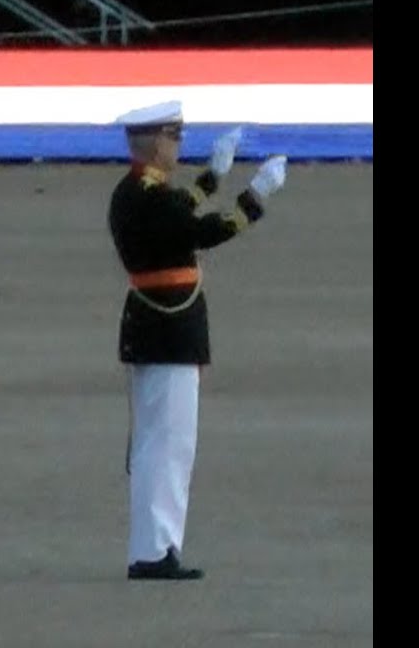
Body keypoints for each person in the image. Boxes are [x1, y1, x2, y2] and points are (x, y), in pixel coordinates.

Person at [106, 100, 286, 580]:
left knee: (157, 442)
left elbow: (180, 211)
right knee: (169, 444)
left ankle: (153, 547)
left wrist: (214, 175)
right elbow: (201, 230)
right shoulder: (149, 196)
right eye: (176, 137)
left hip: (156, 328)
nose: (178, 145)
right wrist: (256, 196)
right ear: (159, 141)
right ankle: (155, 551)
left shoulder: (138, 191)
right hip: (168, 330)